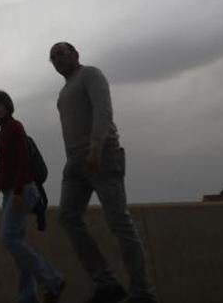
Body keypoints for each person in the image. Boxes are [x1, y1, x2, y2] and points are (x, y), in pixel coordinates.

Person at [49, 41, 158, 303]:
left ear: (76, 54)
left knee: (119, 221)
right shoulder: (63, 93)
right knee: (67, 217)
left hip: (102, 155)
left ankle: (142, 292)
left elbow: (103, 110)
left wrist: (96, 147)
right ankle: (106, 283)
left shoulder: (91, 74)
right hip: (75, 164)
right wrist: (74, 160)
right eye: (52, 57)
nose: (57, 59)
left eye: (61, 53)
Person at [0, 90, 66, 303]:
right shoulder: (0, 134)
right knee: (18, 244)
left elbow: (23, 160)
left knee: (9, 238)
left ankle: (53, 280)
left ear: (7, 105)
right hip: (10, 192)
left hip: (23, 190)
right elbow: (0, 169)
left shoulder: (15, 127)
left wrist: (19, 191)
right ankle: (27, 296)